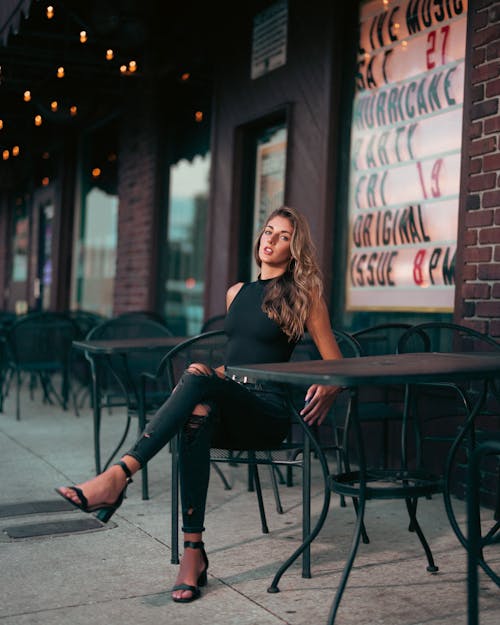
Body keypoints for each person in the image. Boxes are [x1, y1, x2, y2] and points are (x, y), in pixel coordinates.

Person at [56, 205, 344, 603]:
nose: (270, 240)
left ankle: (119, 475)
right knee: (196, 414)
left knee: (196, 375)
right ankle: (193, 554)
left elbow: (337, 363)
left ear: (294, 250)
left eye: (283, 236)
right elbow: (238, 360)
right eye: (268, 231)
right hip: (232, 401)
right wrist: (213, 378)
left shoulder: (303, 296)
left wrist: (329, 387)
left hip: (268, 411)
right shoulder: (237, 293)